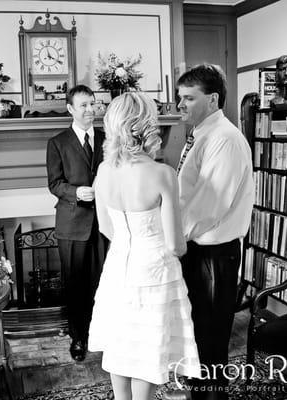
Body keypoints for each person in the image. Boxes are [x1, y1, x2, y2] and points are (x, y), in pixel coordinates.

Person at [88, 92, 201, 400]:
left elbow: (105, 228)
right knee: (146, 358)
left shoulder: (103, 172)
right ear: (146, 126)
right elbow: (176, 245)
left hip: (117, 269)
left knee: (121, 350)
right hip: (153, 272)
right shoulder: (163, 174)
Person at [176, 64, 254, 400]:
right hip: (197, 250)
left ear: (213, 99)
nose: (180, 105)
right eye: (180, 98)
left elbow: (208, 207)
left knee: (209, 341)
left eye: (188, 98)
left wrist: (173, 239)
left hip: (213, 256)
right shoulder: (200, 135)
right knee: (197, 339)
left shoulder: (224, 140)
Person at [46, 84, 108, 362]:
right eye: (83, 105)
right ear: (70, 108)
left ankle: (103, 334)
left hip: (105, 223)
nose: (90, 110)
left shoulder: (109, 138)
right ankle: (78, 339)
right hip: (72, 225)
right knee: (75, 286)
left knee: (104, 283)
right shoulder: (57, 142)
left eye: (92, 104)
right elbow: (55, 184)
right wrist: (76, 192)